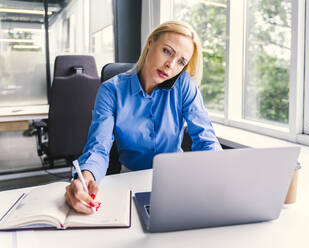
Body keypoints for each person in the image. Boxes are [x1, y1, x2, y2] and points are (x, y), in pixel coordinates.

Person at [64, 21, 222, 214]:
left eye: (181, 61)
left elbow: (206, 140)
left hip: (176, 181)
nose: (170, 65)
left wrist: (219, 172)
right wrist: (85, 177)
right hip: (131, 179)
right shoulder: (111, 90)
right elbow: (98, 148)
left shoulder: (184, 86)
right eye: (167, 51)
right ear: (150, 43)